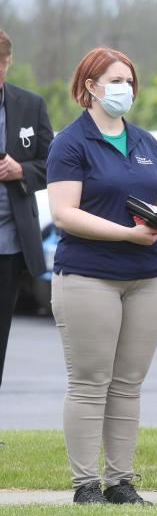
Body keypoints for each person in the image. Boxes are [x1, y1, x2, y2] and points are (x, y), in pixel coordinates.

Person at [46, 47, 157, 504]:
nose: (124, 88)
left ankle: (121, 481)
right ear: (90, 86)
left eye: (129, 80)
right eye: (115, 80)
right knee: (90, 381)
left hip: (147, 276)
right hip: (89, 275)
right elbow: (64, 213)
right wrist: (127, 233)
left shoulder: (144, 143)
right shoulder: (70, 142)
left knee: (128, 383)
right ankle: (85, 484)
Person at [0, 29, 54, 389]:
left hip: (10, 245)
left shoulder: (30, 105)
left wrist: (22, 170)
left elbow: (53, 163)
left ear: (8, 62)